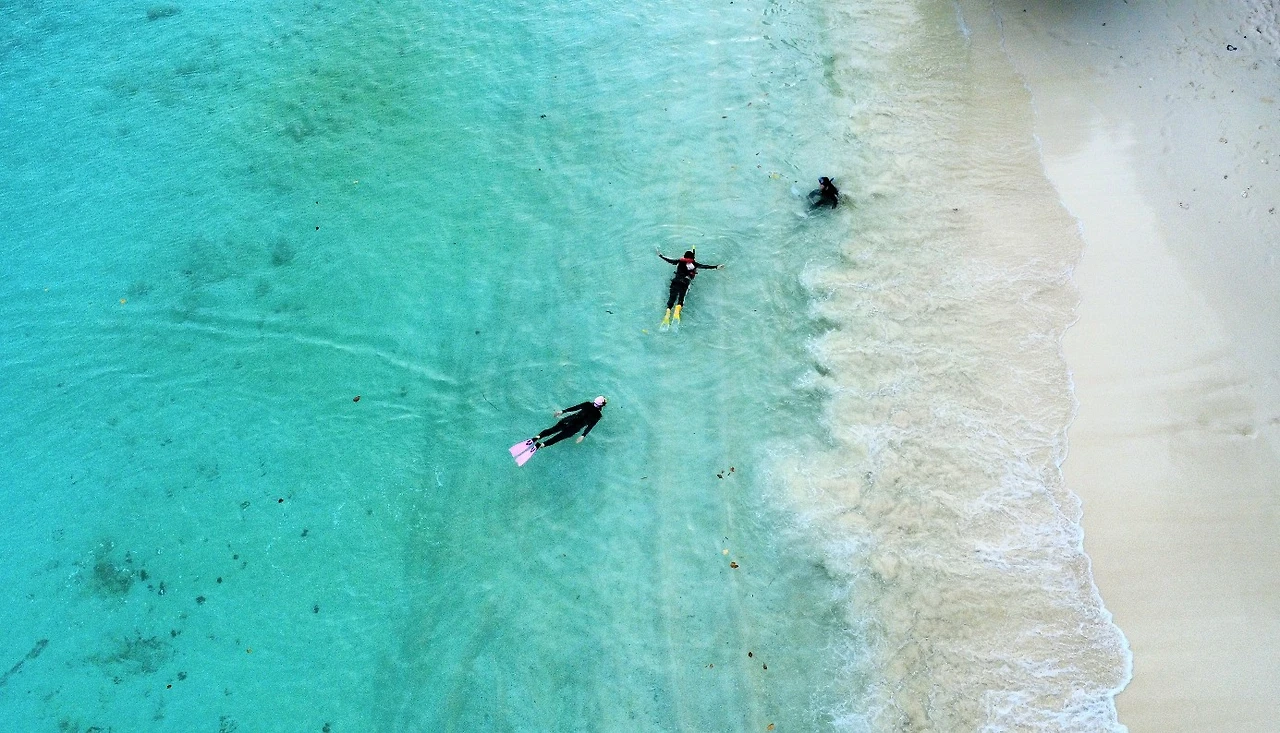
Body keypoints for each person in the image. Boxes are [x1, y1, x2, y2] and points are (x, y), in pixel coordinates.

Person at [656, 249, 723, 326]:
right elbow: (705, 266)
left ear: (684, 257)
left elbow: (669, 260)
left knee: (672, 298)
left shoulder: (679, 261)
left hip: (675, 281)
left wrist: (660, 255)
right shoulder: (694, 264)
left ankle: (668, 313)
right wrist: (716, 267)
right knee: (681, 298)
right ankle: (677, 311)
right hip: (685, 282)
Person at [532, 396, 607, 449]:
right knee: (557, 438)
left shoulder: (587, 404)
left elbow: (575, 408)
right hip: (574, 428)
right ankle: (542, 445)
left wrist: (562, 411)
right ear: (602, 405)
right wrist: (583, 435)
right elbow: (590, 426)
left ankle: (538, 436)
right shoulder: (598, 415)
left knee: (552, 430)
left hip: (568, 420)